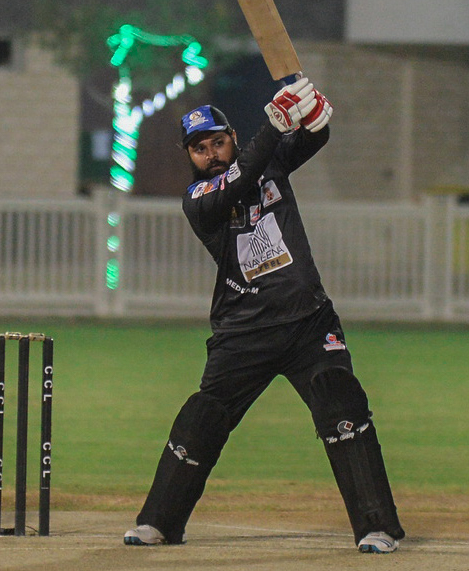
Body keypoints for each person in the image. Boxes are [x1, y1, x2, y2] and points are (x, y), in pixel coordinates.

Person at [123, 78, 405, 553]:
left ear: (232, 138)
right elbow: (238, 179)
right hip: (243, 331)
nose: (211, 154)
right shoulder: (198, 199)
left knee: (341, 403)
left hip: (308, 321)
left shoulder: (269, 161)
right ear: (189, 156)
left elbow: (311, 139)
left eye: (218, 142)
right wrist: (274, 126)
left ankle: (377, 527)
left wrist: (314, 117)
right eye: (199, 149)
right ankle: (160, 523)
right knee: (203, 418)